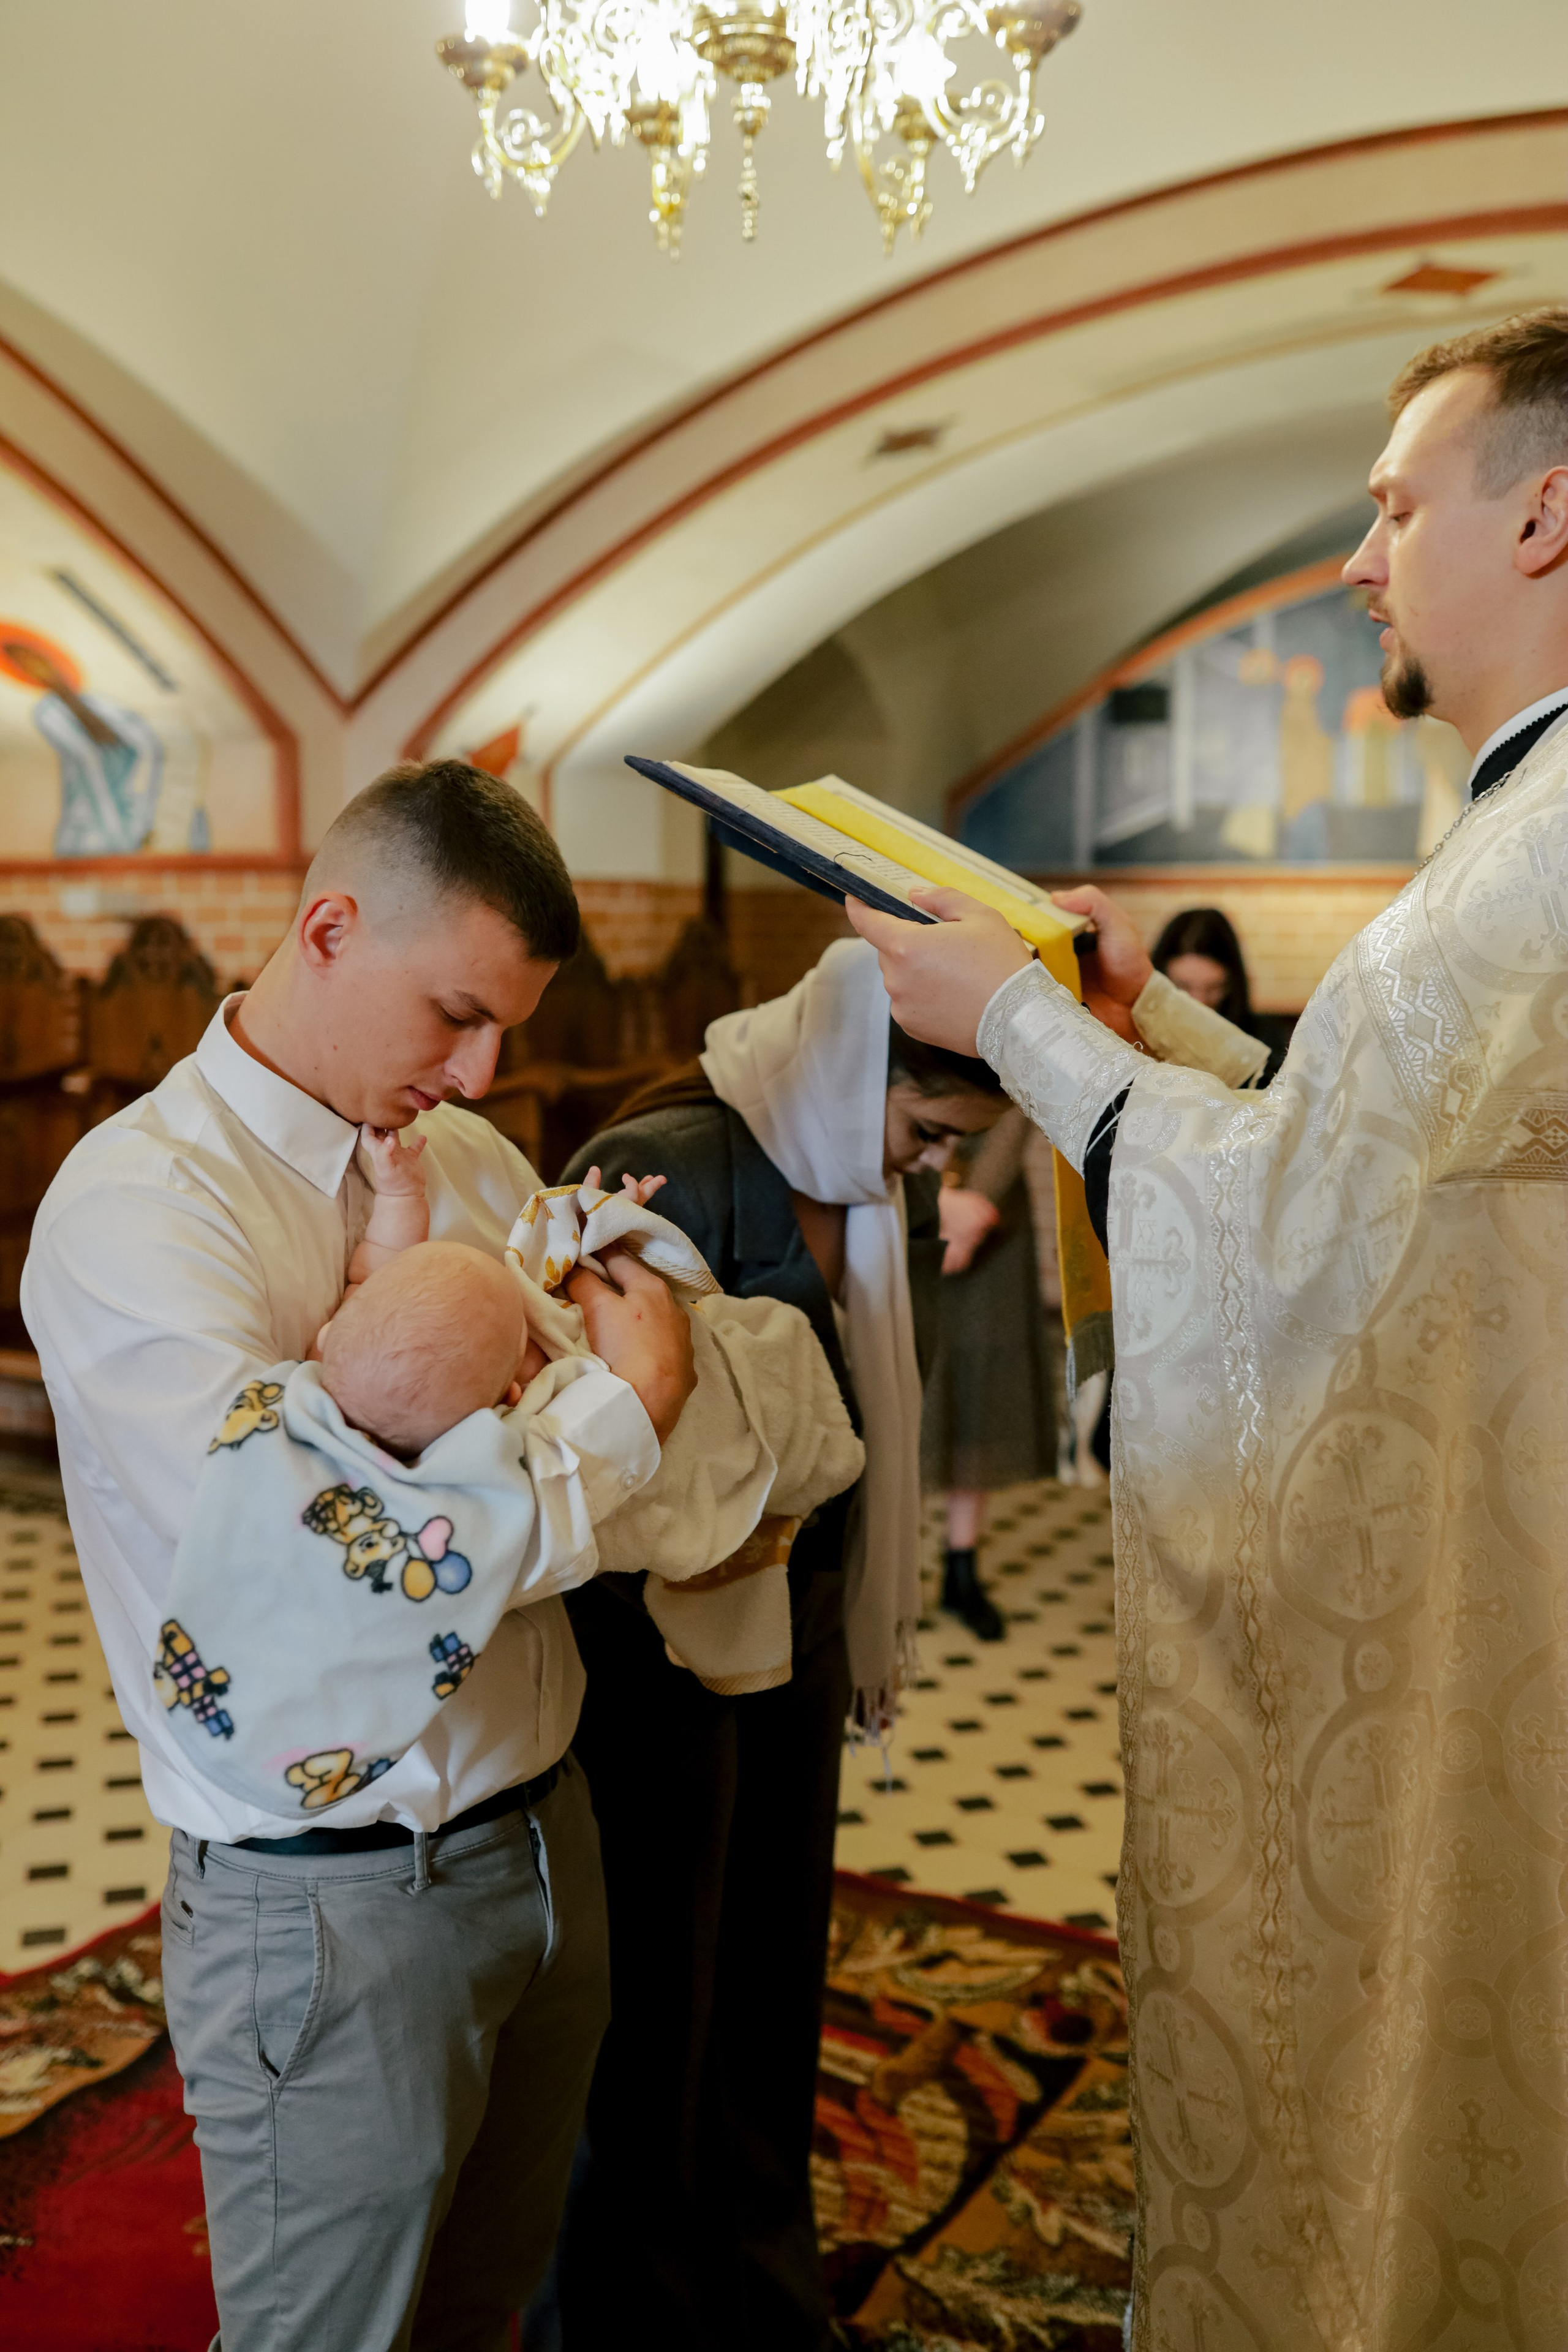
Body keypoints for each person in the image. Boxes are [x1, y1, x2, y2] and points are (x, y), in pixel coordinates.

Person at [844, 308, 1568, 2350]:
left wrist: (1001, 1020)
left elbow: (1284, 1246)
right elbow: (1379, 1161)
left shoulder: (1526, 869)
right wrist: (1124, 1006)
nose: (1360, 559)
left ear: (1549, 517)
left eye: (1397, 503)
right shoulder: (1519, 839)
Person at [21, 759, 698, 2352]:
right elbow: (333, 1567)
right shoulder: (137, 1212)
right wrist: (627, 1404)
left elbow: (532, 1484)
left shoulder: (461, 1165)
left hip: (543, 1834)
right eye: (453, 1013)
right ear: (329, 926)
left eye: (507, 1029)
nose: (478, 1069)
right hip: (329, 1904)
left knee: (484, 2311)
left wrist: (565, 1430)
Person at [554, 937, 1006, 2351]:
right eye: (926, 1129)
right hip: (658, 1652)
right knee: (656, 2000)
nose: (931, 1166)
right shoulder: (665, 1157)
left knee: (766, 1975)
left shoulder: (867, 1187)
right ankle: (632, 2305)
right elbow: (575, 1423)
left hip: (796, 1628)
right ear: (851, 1063)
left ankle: (755, 2281)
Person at [919, 1104, 1073, 1643]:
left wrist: (972, 1208)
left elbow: (1016, 1102)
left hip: (994, 1221)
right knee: (903, 1385)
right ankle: (888, 1570)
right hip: (901, 1195)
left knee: (979, 1384)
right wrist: (929, 1202)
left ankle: (962, 1566)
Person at [1150, 904, 1291, 1077]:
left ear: (1233, 984)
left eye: (1214, 988)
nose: (1199, 1001)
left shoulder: (1261, 1037)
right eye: (1183, 987)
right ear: (1160, 982)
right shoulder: (1141, 1038)